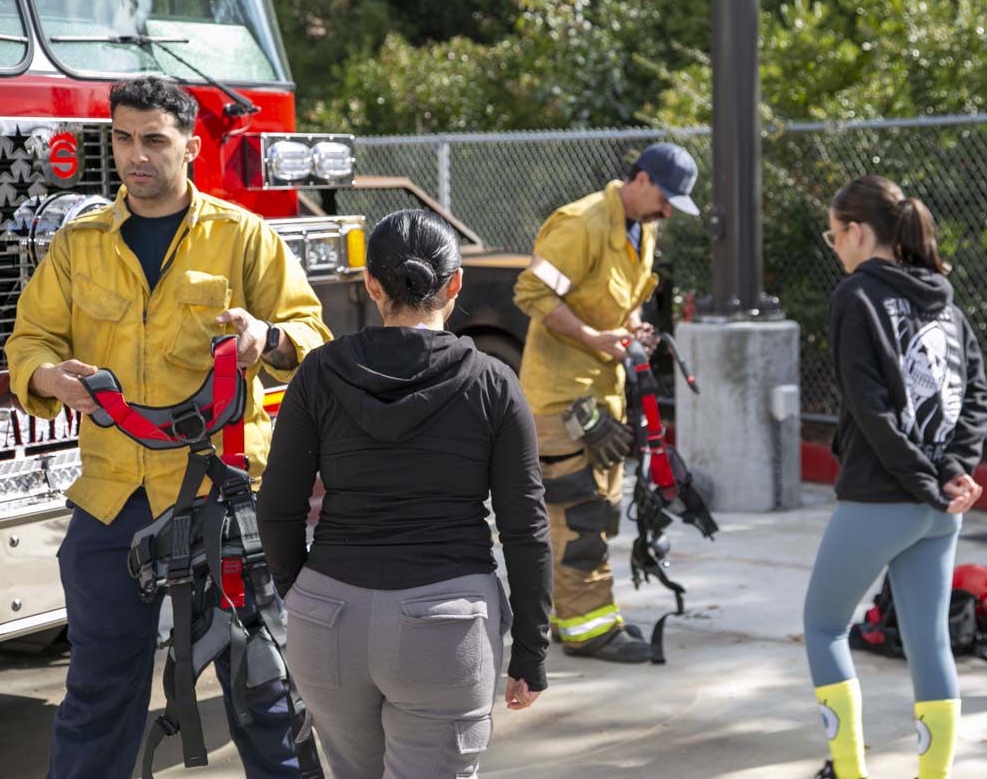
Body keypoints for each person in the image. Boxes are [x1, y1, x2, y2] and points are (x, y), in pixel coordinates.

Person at [4, 76, 332, 778]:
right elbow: (28, 340)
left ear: (189, 146)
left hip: (225, 500)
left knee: (264, 689)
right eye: (122, 139)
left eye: (154, 139)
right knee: (97, 693)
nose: (135, 155)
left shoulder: (242, 236)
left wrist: (266, 336)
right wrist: (48, 378)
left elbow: (311, 333)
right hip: (112, 498)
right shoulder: (78, 244)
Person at [256, 209, 552, 778]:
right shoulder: (493, 383)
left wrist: (304, 596)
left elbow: (277, 505)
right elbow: (525, 528)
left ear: (370, 285)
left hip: (328, 620)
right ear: (456, 283)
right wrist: (531, 651)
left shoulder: (317, 374)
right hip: (444, 627)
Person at [804, 176, 987, 779]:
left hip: (885, 495)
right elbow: (978, 399)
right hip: (941, 507)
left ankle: (850, 773)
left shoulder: (856, 297)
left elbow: (870, 407)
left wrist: (925, 479)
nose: (835, 247)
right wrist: (955, 472)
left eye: (835, 235)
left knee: (824, 626)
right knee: (929, 643)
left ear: (859, 232)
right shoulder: (945, 299)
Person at [512, 142, 699, 663]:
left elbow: (629, 292)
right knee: (580, 515)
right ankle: (588, 631)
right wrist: (595, 336)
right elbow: (532, 293)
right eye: (665, 198)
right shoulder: (582, 225)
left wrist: (632, 324)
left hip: (599, 393)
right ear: (641, 180)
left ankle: (574, 614)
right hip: (561, 398)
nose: (667, 211)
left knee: (595, 510)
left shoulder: (642, 226)